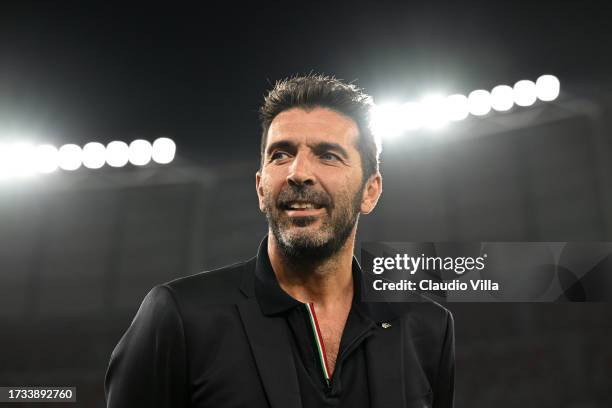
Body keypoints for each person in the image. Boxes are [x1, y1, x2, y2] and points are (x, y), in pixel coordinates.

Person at [104, 74, 455, 408]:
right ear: (260, 188)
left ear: (370, 190)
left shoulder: (426, 327)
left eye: (328, 155)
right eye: (281, 154)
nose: (298, 172)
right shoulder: (179, 316)